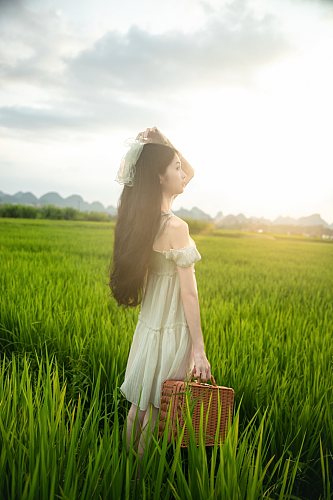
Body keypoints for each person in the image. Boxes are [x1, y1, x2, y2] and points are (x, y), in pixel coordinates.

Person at [109, 126, 211, 461]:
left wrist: (163, 145)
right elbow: (190, 295)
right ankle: (139, 483)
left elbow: (186, 169)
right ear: (159, 176)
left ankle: (123, 472)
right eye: (175, 168)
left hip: (148, 328)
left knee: (139, 406)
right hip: (172, 330)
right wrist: (198, 350)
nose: (184, 173)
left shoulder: (141, 222)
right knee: (156, 411)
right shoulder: (176, 227)